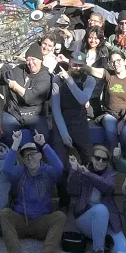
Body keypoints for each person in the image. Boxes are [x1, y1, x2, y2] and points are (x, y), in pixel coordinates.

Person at [0, 130, 66, 253]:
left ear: (40, 156)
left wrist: (44, 145)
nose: (30, 158)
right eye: (26, 156)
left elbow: (60, 167)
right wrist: (15, 144)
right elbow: (7, 169)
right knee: (4, 213)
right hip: (22, 221)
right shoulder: (20, 172)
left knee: (60, 216)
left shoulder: (48, 172)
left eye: (33, 154)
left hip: (42, 221)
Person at [68, 145, 126, 253]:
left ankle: (101, 239)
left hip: (108, 222)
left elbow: (107, 187)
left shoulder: (110, 174)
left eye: (104, 159)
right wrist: (74, 170)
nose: (100, 162)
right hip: (85, 218)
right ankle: (98, 252)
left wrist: (88, 174)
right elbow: (71, 190)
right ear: (92, 158)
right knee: (101, 209)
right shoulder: (83, 169)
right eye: (97, 158)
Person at [50, 57, 97, 207]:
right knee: (59, 163)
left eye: (80, 65)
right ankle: (64, 198)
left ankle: (87, 194)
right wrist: (63, 134)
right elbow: (55, 109)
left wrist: (69, 80)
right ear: (69, 64)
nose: (77, 68)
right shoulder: (57, 79)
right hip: (61, 120)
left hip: (80, 120)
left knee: (89, 159)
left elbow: (82, 99)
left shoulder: (89, 80)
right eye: (74, 65)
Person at [0, 43, 52, 142]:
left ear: (40, 60)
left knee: (43, 138)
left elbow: (32, 97)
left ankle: (37, 155)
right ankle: (11, 154)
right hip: (13, 112)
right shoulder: (20, 69)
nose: (30, 63)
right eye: (28, 60)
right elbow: (5, 76)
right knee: (8, 136)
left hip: (34, 114)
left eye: (33, 59)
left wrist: (15, 87)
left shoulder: (45, 77)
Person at [85, 50, 126, 152]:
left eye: (118, 60)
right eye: (113, 62)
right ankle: (113, 159)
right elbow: (89, 69)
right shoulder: (108, 75)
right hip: (110, 114)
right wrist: (69, 61)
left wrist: (123, 121)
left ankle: (122, 157)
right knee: (111, 133)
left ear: (124, 61)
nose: (116, 63)